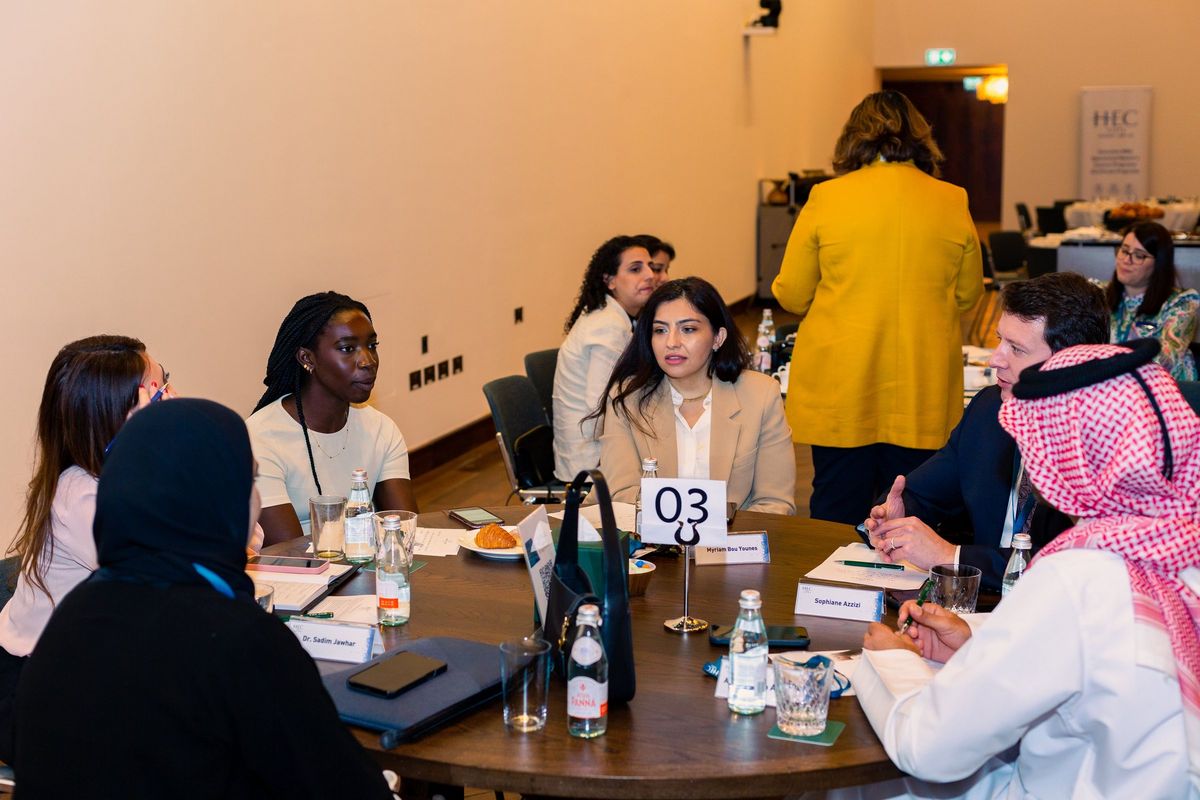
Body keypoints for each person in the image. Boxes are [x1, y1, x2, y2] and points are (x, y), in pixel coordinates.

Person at [848, 340, 1200, 798]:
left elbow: (926, 748)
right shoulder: (1176, 549)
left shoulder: (1078, 577)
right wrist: (976, 647)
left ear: (1069, 456)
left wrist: (892, 660)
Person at [14, 399, 393, 797]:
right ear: (218, 498)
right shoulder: (241, 640)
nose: (257, 501)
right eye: (250, 481)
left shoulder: (72, 616)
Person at [772, 90, 983, 526]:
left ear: (853, 137)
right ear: (921, 137)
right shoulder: (952, 199)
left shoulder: (827, 197)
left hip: (843, 386)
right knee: (912, 509)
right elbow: (967, 295)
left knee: (835, 506)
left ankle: (833, 572)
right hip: (920, 386)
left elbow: (792, 294)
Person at [864, 273, 1109, 590]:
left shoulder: (1104, 439)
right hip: (981, 604)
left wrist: (951, 556)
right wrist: (893, 519)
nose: (995, 359)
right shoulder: (989, 408)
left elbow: (1078, 567)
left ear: (1068, 362)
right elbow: (924, 491)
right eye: (999, 340)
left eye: (1016, 349)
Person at [0, 335, 172, 763]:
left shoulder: (127, 479)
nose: (171, 400)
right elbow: (181, 560)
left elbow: (240, 535)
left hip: (87, 667)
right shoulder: (80, 495)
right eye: (156, 393)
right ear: (114, 414)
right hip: (34, 688)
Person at [594, 277, 796, 514]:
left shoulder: (760, 395)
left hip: (736, 536)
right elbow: (621, 495)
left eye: (688, 329)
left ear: (718, 338)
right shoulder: (627, 398)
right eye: (660, 330)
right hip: (648, 537)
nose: (671, 342)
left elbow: (775, 502)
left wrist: (718, 534)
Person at [248, 291, 416, 546]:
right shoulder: (261, 438)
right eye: (347, 349)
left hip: (363, 561)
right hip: (299, 568)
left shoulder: (382, 429)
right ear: (307, 358)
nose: (367, 361)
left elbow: (405, 532)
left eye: (372, 346)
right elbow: (292, 553)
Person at [553, 236, 659, 481]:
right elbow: (597, 411)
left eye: (650, 266)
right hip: (589, 465)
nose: (649, 275)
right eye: (635, 269)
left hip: (592, 449)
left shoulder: (611, 316)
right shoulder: (607, 327)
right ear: (610, 281)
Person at [1106, 220, 1200, 380]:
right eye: (1124, 250)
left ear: (1159, 263)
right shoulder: (1098, 296)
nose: (1126, 260)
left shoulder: (1181, 303)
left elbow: (1166, 359)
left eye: (1139, 255)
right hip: (1110, 385)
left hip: (1165, 387)